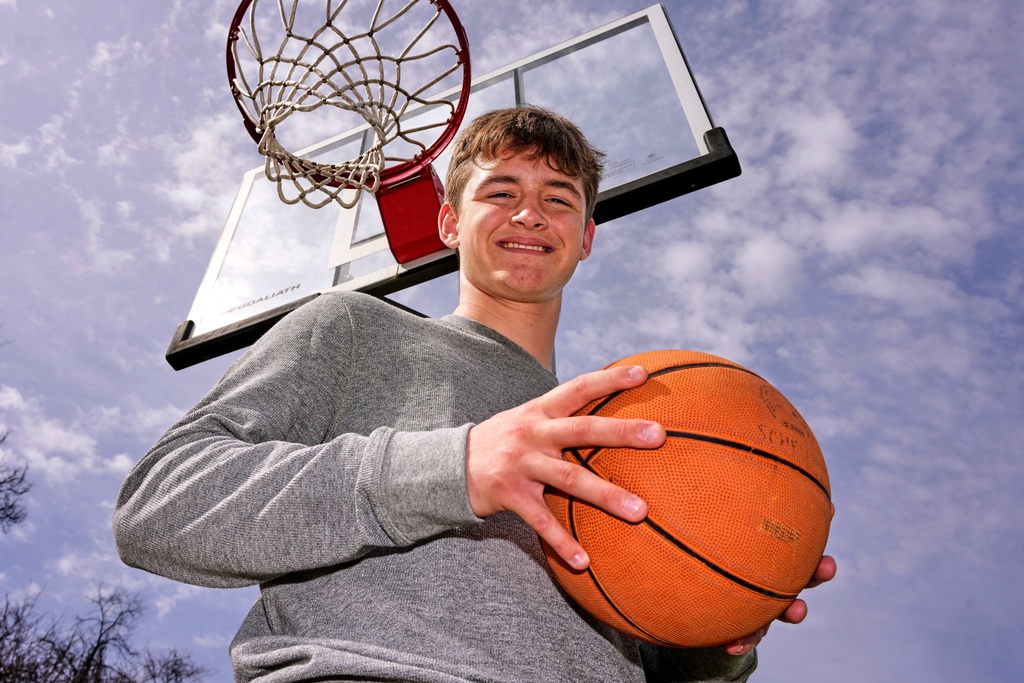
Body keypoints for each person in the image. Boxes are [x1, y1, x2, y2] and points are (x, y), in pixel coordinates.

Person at [114, 106, 835, 682]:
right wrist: (455, 466)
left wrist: (722, 633)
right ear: (449, 222)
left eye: (558, 199)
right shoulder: (353, 327)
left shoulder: (625, 427)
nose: (530, 214)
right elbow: (159, 505)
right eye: (501, 192)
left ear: (586, 237)